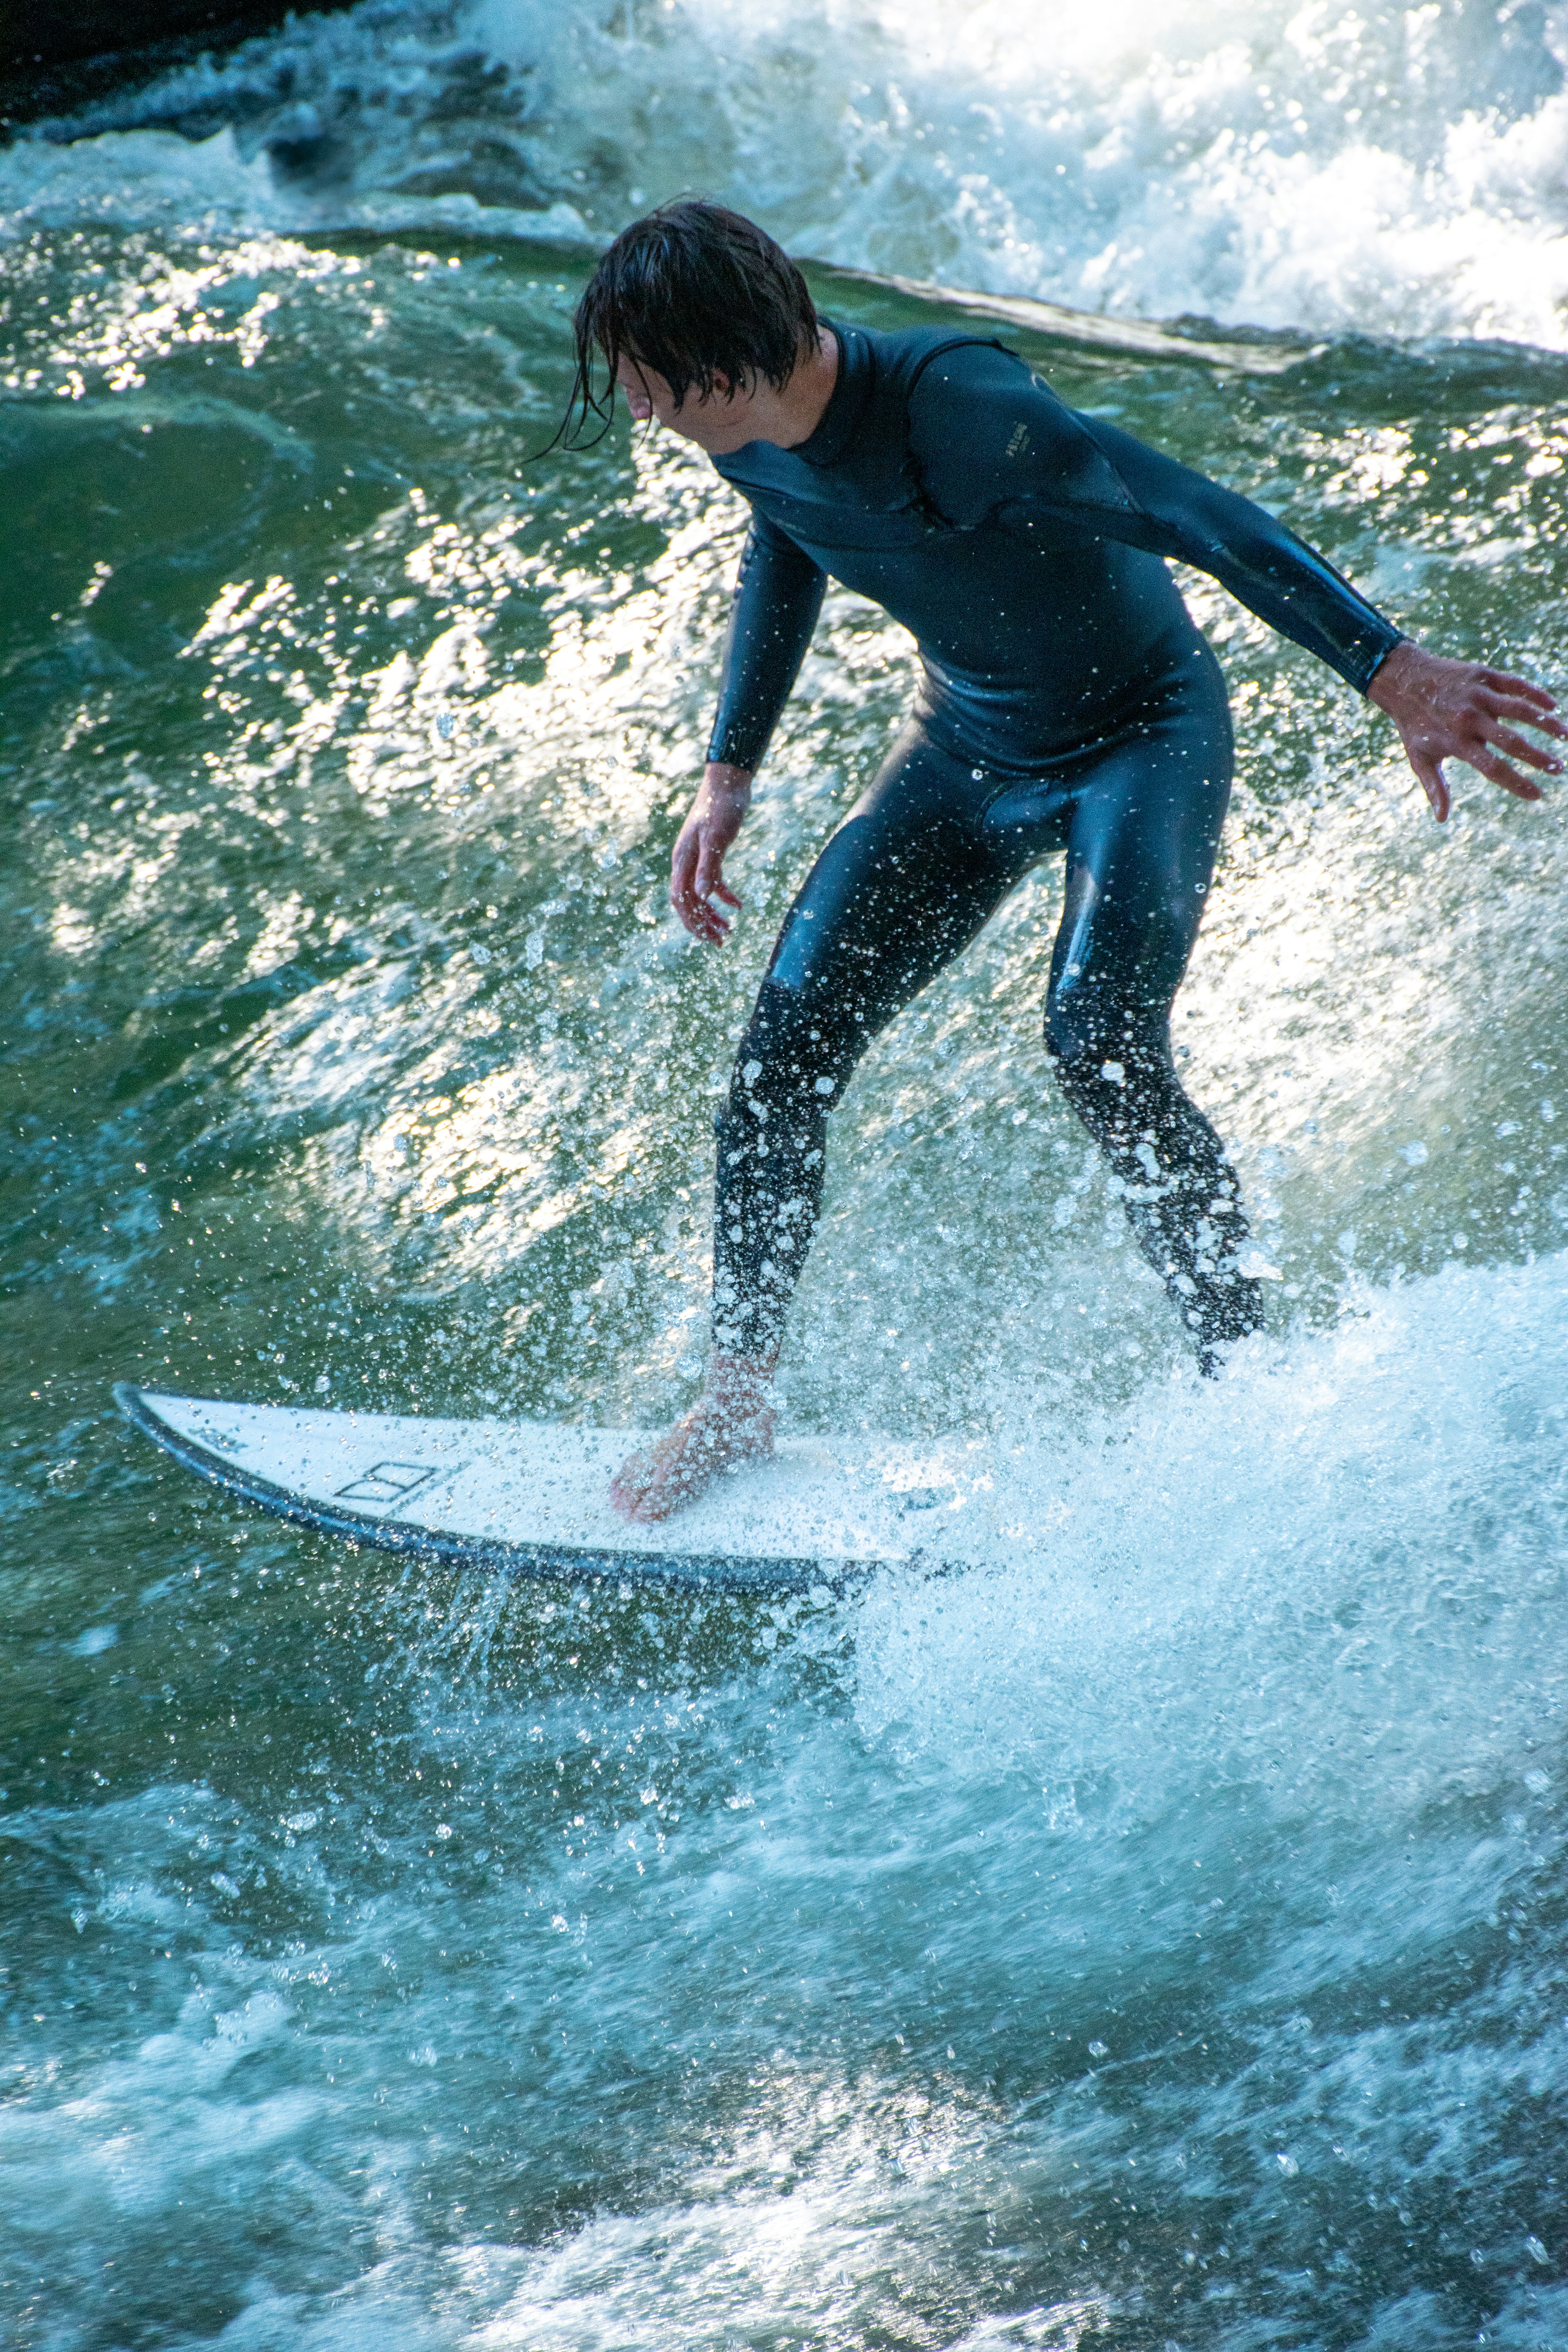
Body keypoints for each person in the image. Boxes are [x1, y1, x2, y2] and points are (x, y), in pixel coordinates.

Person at [550, 200, 1561, 1524]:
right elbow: (788, 534)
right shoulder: (745, 433)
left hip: (1140, 736)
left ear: (726, 362)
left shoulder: (965, 409)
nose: (642, 415)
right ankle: (735, 1398)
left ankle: (1247, 1379)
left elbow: (1189, 508)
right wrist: (726, 772)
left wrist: (1389, 667)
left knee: (1097, 1039)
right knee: (781, 1055)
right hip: (966, 744)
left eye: (646, 389)